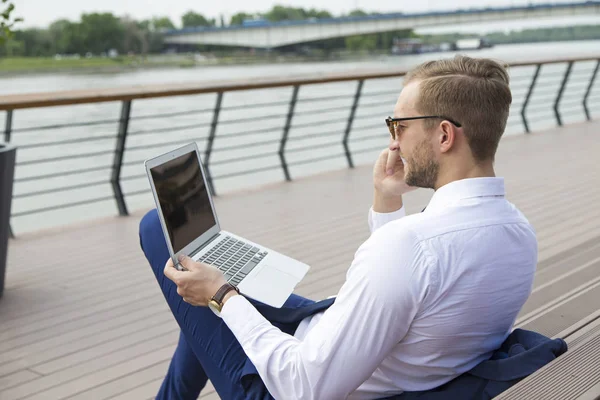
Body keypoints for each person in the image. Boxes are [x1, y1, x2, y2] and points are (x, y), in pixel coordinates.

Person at [139, 55, 539, 400]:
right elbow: (410, 292)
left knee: (158, 229)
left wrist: (224, 296)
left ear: (444, 135)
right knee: (200, 297)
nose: (394, 142)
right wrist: (386, 200)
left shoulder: (411, 247)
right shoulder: (517, 231)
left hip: (284, 383)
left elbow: (305, 386)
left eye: (399, 126)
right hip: (341, 343)